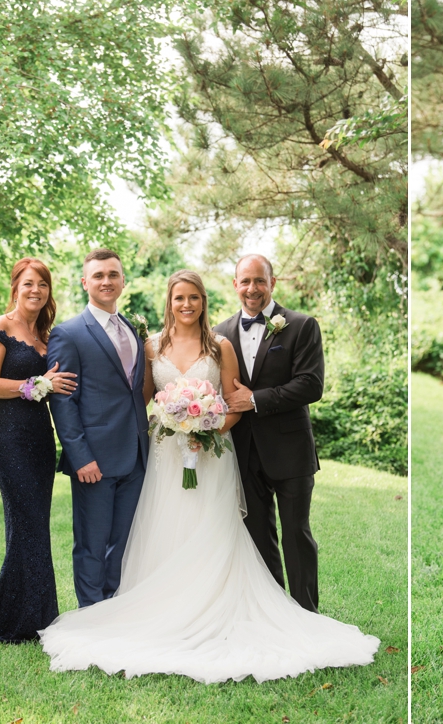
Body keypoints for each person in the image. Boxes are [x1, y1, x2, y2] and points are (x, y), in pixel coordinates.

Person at [39, 270, 379, 683]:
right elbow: (141, 398)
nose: (187, 305)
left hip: (213, 455)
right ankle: (163, 611)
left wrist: (208, 429)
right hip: (166, 457)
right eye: (179, 297)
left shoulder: (220, 346)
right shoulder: (152, 346)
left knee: (212, 529)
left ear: (203, 301)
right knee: (165, 530)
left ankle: (224, 607)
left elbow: (235, 401)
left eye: (194, 298)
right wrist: (168, 422)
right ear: (170, 301)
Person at [0, 258, 77, 643]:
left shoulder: (45, 333)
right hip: (9, 438)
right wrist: (38, 383)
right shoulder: (0, 328)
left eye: (42, 284)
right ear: (15, 287)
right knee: (29, 525)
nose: (35, 290)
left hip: (41, 437)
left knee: (32, 525)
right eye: (28, 284)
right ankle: (22, 621)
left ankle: (31, 616)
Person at [214, 254, 324, 612]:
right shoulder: (219, 333)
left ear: (272, 283)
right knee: (258, 537)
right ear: (235, 285)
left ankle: (307, 612)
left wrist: (255, 400)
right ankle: (275, 613)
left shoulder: (302, 325)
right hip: (243, 452)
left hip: (290, 450)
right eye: (245, 281)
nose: (252, 289)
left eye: (259, 281)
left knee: (297, 535)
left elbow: (310, 385)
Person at [48, 249, 149, 608]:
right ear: (84, 282)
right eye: (98, 275)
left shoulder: (132, 329)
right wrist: (81, 458)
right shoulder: (69, 334)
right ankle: (91, 617)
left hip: (136, 455)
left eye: (113, 274)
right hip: (94, 459)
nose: (106, 281)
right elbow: (63, 401)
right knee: (92, 544)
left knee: (122, 542)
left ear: (123, 280)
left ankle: (114, 609)